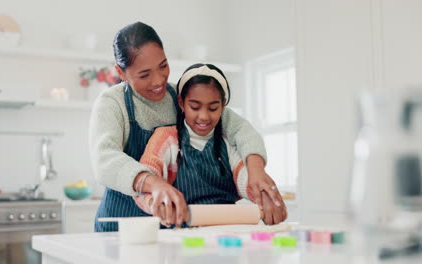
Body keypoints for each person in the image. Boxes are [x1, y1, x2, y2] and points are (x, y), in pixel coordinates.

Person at [89, 21, 285, 232]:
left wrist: (256, 172)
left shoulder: (183, 96)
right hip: (120, 227)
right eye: (145, 74)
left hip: (167, 227)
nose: (158, 81)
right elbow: (105, 161)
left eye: (163, 66)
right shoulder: (112, 103)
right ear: (121, 72)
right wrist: (154, 184)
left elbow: (240, 129)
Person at [133, 63, 287, 226]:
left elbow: (246, 179)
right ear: (181, 103)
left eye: (213, 108)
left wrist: (265, 197)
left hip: (228, 232)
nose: (204, 116)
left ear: (223, 106)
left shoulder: (227, 142)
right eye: (195, 107)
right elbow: (144, 184)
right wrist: (156, 204)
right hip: (182, 235)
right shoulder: (167, 139)